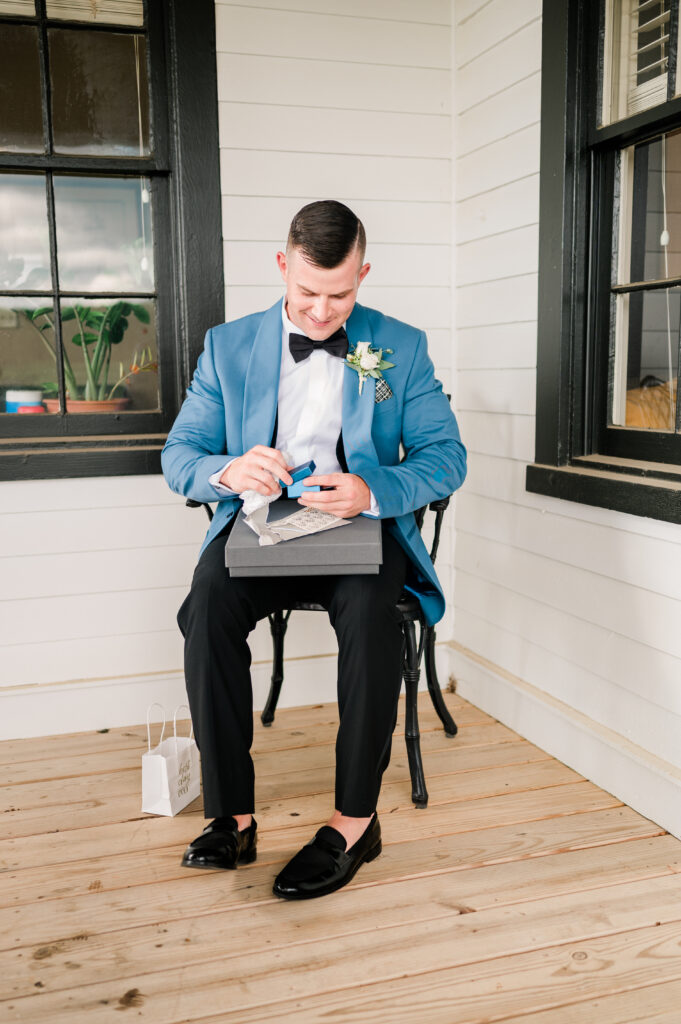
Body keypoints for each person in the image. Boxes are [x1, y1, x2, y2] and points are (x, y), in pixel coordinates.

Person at [161, 200, 466, 900]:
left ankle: (354, 823)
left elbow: (445, 457)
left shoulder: (398, 345)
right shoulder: (228, 345)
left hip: (361, 526)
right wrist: (227, 470)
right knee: (205, 605)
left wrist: (373, 489)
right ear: (281, 267)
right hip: (261, 521)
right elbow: (179, 452)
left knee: (369, 618)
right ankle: (230, 814)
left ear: (362, 273)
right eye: (307, 294)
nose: (323, 313)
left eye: (340, 295)